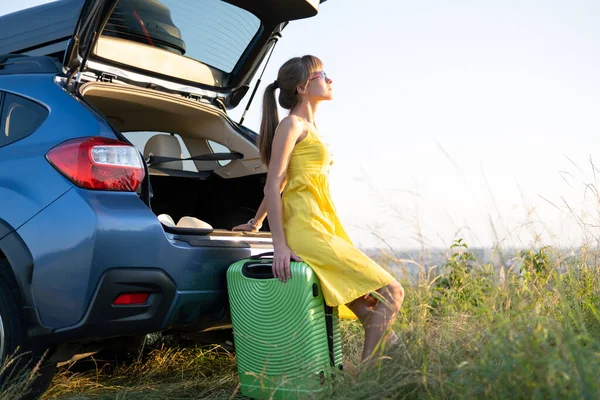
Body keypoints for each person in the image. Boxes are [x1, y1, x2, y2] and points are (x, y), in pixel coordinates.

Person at [232, 55, 404, 362]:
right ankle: (366, 382)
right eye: (321, 74)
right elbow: (274, 183)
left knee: (368, 309)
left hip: (324, 224)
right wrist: (279, 245)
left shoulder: (312, 127)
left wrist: (256, 221)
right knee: (393, 291)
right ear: (302, 87)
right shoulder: (291, 125)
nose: (330, 79)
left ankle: (401, 372)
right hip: (307, 229)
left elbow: (285, 182)